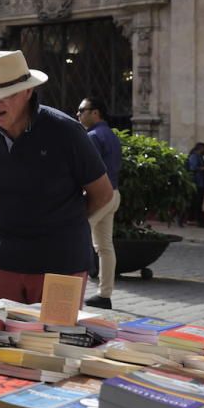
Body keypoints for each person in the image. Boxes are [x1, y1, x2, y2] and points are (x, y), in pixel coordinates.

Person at [0, 51, 113, 304]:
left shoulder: (66, 131)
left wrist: (62, 220)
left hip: (60, 265)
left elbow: (103, 193)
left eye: (7, 94)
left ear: (28, 92)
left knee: (52, 341)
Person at [77, 97, 122, 310]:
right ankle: (104, 294)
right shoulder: (111, 135)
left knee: (74, 238)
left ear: (96, 113)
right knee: (105, 247)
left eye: (82, 110)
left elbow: (87, 171)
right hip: (113, 194)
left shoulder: (93, 136)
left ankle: (70, 291)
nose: (78, 114)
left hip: (99, 196)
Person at [187, 142, 204, 228]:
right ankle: (198, 221)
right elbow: (193, 168)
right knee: (197, 203)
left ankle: (194, 219)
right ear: (200, 149)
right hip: (197, 183)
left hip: (201, 183)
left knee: (198, 203)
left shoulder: (200, 157)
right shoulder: (194, 156)